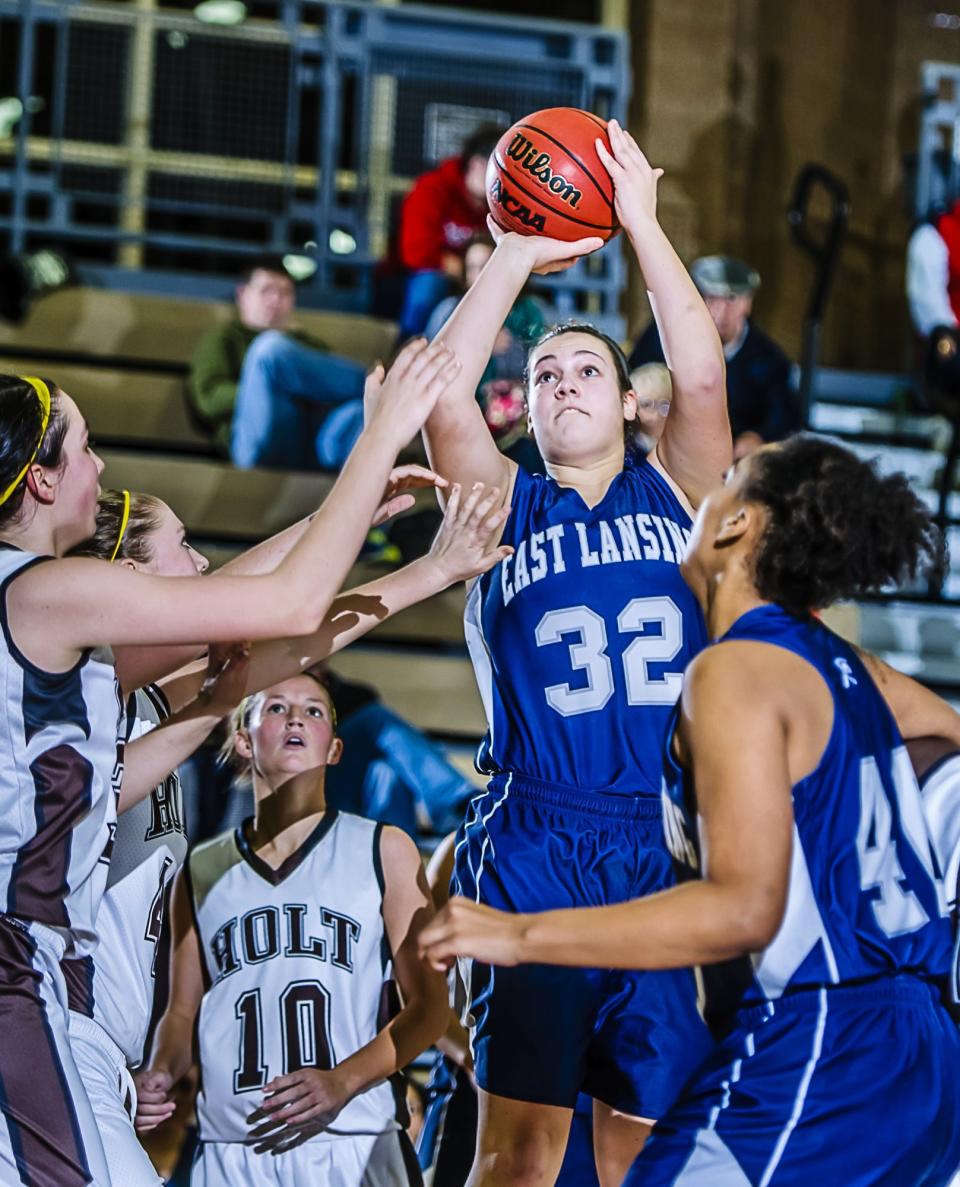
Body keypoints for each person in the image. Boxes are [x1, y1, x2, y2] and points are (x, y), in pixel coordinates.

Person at [421, 434, 960, 1186]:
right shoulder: (841, 663)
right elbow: (948, 735)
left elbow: (743, 907)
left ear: (735, 525)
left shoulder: (733, 668)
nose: (702, 489)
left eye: (729, 479)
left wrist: (514, 931)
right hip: (925, 1048)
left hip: (827, 1045)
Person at [0, 340, 457, 1185]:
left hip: (66, 1015)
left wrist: (373, 528)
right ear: (40, 479)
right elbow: (277, 609)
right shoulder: (40, 593)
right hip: (27, 982)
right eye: (87, 445)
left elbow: (238, 643)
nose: (99, 462)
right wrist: (377, 439)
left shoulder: (79, 682)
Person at [418, 118, 731, 1187]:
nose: (560, 382)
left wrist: (639, 219)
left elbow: (700, 372)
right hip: (536, 839)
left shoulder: (678, 489)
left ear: (627, 400)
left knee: (645, 1153)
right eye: (544, 373)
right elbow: (441, 395)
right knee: (520, 1154)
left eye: (584, 366)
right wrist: (513, 249)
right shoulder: (506, 504)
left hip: (658, 842)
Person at [64, 478, 509, 1186]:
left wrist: (358, 522)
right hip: (63, 1034)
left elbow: (291, 634)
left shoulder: (151, 704)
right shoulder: (87, 707)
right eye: (184, 547)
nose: (208, 568)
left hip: (125, 1062)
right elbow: (265, 611)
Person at [136, 670, 449, 1185]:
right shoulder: (200, 868)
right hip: (232, 1148)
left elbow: (431, 1008)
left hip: (354, 1140)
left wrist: (343, 1082)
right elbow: (183, 1011)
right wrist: (161, 1072)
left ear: (335, 749)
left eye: (315, 710)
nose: (296, 717)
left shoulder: (384, 848)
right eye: (276, 707)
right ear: (243, 738)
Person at [187, 257, 368, 471]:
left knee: (361, 410)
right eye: (266, 290)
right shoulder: (225, 337)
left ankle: (376, 394)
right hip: (255, 446)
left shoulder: (306, 345)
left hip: (316, 447)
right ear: (242, 294)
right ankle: (376, 386)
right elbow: (209, 399)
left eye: (285, 293)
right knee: (269, 349)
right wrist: (268, 387)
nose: (275, 300)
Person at [629, 254, 797, 459]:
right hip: (662, 451)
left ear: (747, 304)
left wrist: (757, 437)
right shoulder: (663, 337)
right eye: (711, 298)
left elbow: (785, 419)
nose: (719, 310)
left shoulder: (767, 360)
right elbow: (633, 380)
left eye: (731, 299)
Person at [396, 128, 500, 339]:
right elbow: (416, 253)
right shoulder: (432, 188)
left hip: (477, 278)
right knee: (427, 286)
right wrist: (466, 270)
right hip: (424, 278)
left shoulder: (502, 202)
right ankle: (407, 350)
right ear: (475, 163)